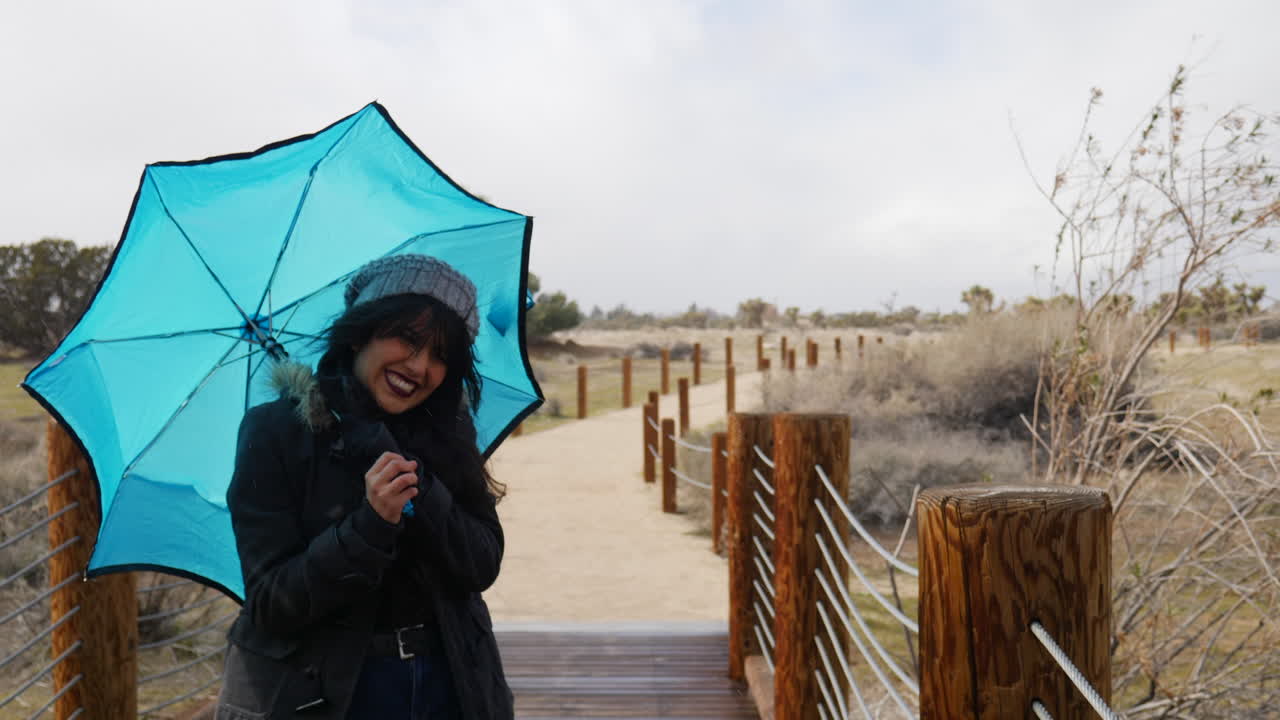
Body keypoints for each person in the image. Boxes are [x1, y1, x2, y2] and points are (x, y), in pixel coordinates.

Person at [216, 254, 515, 720]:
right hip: (327, 695)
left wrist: (424, 487)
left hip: (450, 685)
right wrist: (371, 526)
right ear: (360, 333)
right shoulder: (275, 432)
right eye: (407, 339)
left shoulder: (448, 432)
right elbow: (272, 603)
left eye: (440, 355)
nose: (419, 366)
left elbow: (482, 562)